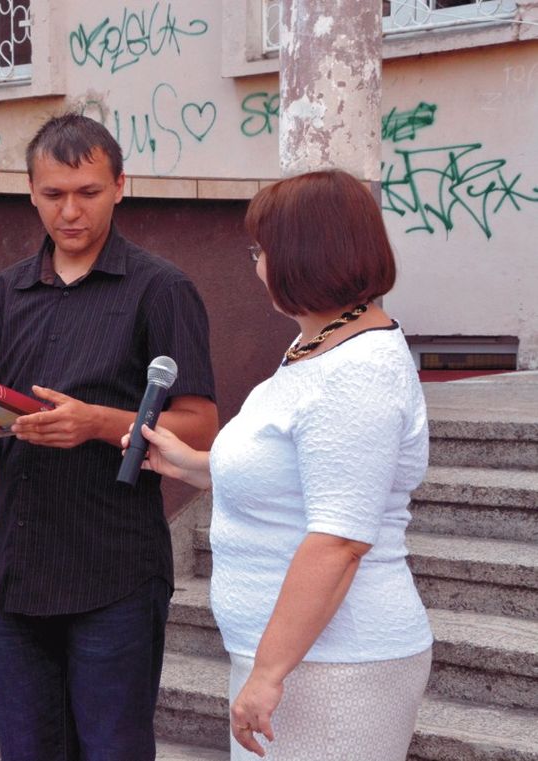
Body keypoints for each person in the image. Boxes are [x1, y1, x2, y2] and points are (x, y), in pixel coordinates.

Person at [0, 113, 218, 761]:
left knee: (112, 748)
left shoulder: (162, 289)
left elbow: (200, 427)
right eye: (54, 194)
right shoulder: (4, 296)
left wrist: (97, 422)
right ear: (31, 192)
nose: (70, 211)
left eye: (88, 192)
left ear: (120, 185)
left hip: (114, 571)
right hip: (18, 570)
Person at [133, 169, 433, 760]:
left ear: (304, 254)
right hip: (290, 654)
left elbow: (338, 540)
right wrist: (190, 463)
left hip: (334, 664)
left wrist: (270, 674)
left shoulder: (358, 371)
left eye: (262, 249)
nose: (258, 265)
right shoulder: (315, 346)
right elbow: (293, 479)